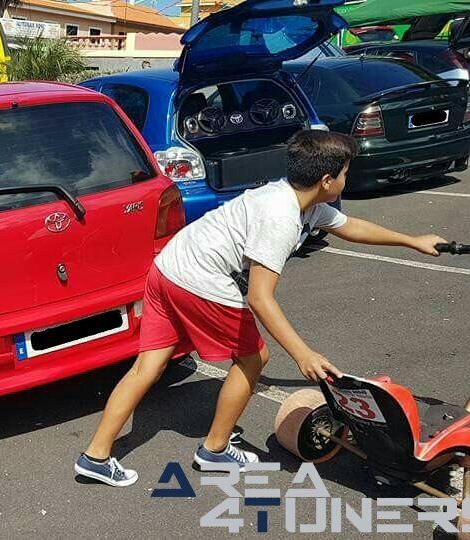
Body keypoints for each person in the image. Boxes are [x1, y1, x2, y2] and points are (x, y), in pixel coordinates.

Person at [73, 130, 447, 486]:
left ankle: (95, 456)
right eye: (346, 173)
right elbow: (260, 297)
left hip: (169, 268)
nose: (347, 179)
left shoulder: (300, 200)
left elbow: (350, 226)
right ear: (328, 180)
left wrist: (411, 241)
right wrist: (303, 354)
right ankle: (214, 450)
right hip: (199, 278)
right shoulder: (280, 218)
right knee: (253, 359)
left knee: (147, 366)